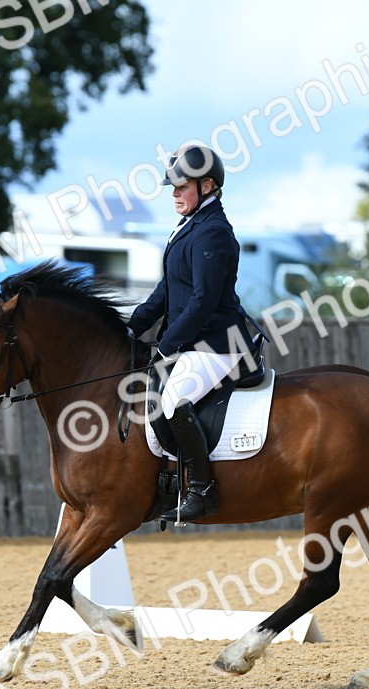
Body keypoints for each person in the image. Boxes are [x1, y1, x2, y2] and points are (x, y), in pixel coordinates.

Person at [126, 144, 257, 522]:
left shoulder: (213, 232)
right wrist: (132, 327)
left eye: (182, 186)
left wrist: (167, 345)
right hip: (194, 343)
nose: (174, 193)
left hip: (219, 343)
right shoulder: (189, 226)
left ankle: (202, 490)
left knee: (173, 401)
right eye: (174, 187)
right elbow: (166, 291)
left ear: (207, 186)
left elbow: (202, 301)